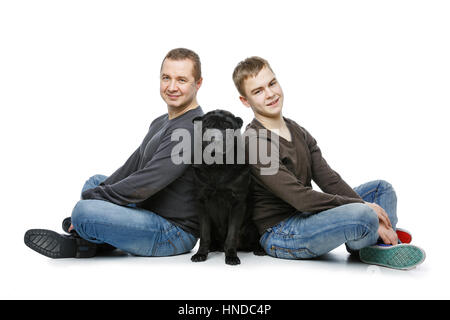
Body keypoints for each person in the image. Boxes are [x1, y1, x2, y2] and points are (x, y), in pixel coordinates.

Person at [232, 56, 426, 270]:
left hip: (307, 215)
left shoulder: (296, 129)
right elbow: (300, 199)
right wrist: (363, 207)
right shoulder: (255, 142)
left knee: (381, 189)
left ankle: (371, 243)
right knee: (362, 212)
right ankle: (376, 237)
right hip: (282, 233)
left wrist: (365, 206)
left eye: (272, 83)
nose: (270, 94)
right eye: (258, 91)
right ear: (245, 101)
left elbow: (329, 180)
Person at [24, 48, 204, 258]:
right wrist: (97, 192)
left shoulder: (191, 129)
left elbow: (147, 182)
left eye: (181, 80)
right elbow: (132, 167)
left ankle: (83, 241)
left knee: (84, 212)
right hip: (148, 209)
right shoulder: (162, 122)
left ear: (198, 83)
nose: (172, 87)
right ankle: (95, 236)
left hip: (172, 232)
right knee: (95, 181)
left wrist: (93, 201)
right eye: (166, 78)